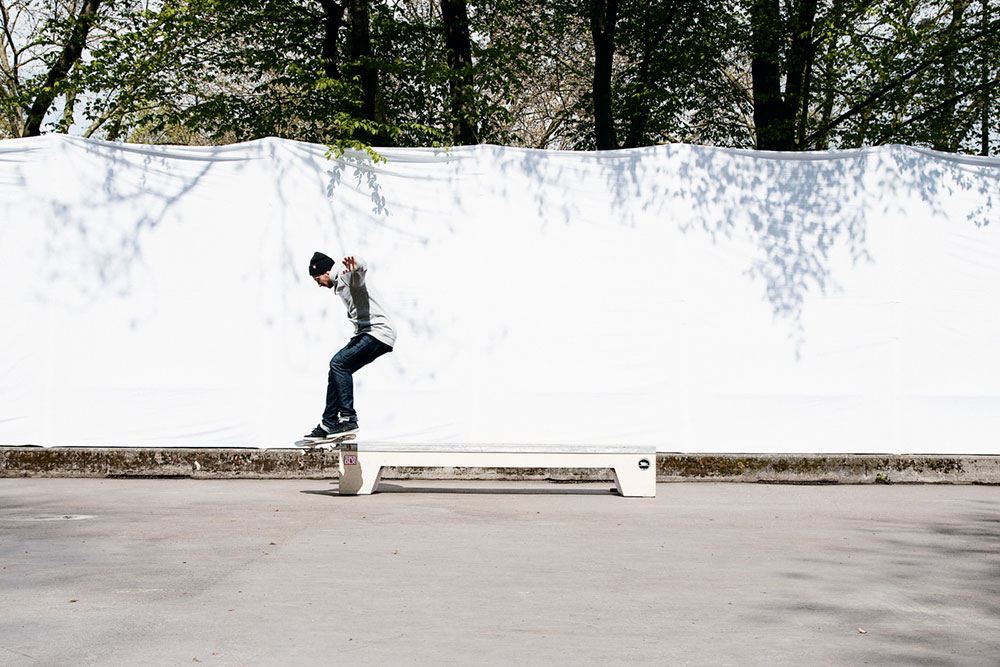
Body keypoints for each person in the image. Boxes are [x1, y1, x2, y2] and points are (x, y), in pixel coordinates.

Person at [304, 251, 396, 440]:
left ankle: (348, 418)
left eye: (317, 279)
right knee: (336, 368)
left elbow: (360, 270)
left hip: (378, 332)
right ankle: (328, 422)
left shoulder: (346, 275)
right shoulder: (340, 281)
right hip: (367, 333)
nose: (319, 284)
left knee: (339, 364)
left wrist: (357, 264)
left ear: (327, 271)